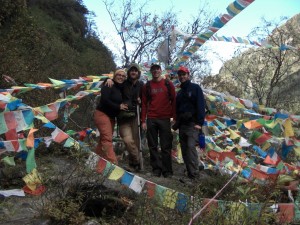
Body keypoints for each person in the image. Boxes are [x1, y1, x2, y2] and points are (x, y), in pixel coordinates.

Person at [141, 64, 176, 178]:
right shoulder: (147, 86)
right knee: (153, 145)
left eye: (158, 69)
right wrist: (143, 120)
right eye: (153, 70)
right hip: (151, 118)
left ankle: (167, 171)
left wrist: (174, 117)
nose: (156, 71)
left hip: (165, 118)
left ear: (161, 71)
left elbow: (174, 100)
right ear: (151, 72)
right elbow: (144, 104)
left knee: (166, 146)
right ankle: (156, 169)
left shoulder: (168, 84)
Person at [172, 66, 206, 179]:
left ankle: (195, 174)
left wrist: (199, 123)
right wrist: (176, 121)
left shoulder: (195, 88)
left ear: (188, 75)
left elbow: (201, 105)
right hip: (182, 125)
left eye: (184, 74)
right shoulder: (180, 93)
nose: (182, 76)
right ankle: (189, 172)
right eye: (180, 75)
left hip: (193, 124)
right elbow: (177, 109)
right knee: (185, 149)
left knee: (191, 147)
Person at [94, 69, 127, 164]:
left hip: (112, 118)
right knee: (107, 139)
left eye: (123, 76)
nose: (121, 77)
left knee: (103, 140)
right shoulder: (109, 84)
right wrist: (106, 79)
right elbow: (104, 100)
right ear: (114, 76)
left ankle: (94, 163)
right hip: (102, 114)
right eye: (119, 75)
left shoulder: (121, 88)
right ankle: (114, 163)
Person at [117, 63, 144, 171]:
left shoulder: (141, 85)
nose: (133, 72)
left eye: (135, 71)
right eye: (132, 70)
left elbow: (146, 100)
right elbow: (113, 86)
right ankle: (138, 160)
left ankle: (133, 165)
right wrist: (107, 80)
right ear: (129, 72)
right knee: (128, 140)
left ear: (138, 73)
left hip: (136, 115)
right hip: (123, 116)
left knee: (136, 141)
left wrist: (141, 101)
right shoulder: (123, 83)